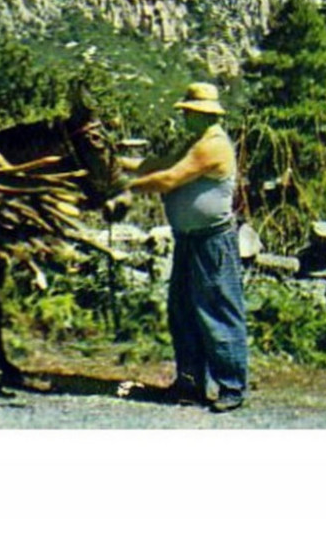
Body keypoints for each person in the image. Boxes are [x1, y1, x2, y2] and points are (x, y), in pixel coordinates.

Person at [126, 82, 248, 412]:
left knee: (218, 312)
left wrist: (126, 190)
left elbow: (168, 179)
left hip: (211, 240)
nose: (184, 118)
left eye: (188, 113)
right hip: (191, 239)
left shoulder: (212, 147)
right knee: (183, 312)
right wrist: (118, 164)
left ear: (201, 114)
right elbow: (160, 163)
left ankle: (231, 387)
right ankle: (190, 383)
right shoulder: (196, 142)